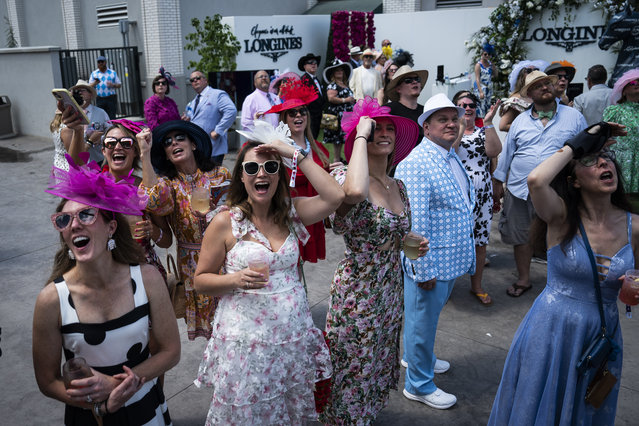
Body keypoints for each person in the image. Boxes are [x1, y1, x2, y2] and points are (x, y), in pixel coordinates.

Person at [488, 122, 635, 424]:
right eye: (591, 162)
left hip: (602, 333)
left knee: (585, 408)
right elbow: (536, 179)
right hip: (551, 329)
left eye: (607, 159)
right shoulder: (561, 217)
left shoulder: (635, 225)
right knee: (536, 405)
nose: (605, 163)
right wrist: (580, 141)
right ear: (575, 180)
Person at [192, 139, 344, 424]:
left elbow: (335, 196)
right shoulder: (226, 222)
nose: (261, 174)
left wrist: (295, 154)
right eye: (252, 167)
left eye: (270, 167)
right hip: (248, 344)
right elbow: (200, 281)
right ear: (241, 175)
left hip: (290, 337)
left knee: (284, 407)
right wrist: (234, 279)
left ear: (279, 174)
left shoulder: (291, 212)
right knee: (249, 410)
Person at [33, 155, 180, 424]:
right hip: (88, 417)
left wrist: (114, 384)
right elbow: (47, 381)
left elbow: (171, 351)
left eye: (86, 214)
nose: (75, 224)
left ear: (111, 227)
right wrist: (97, 406)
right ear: (64, 235)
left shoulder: (147, 278)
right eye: (64, 220)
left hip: (145, 409)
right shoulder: (52, 300)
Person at [320, 97, 427, 424]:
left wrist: (410, 242)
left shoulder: (400, 185)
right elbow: (349, 201)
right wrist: (360, 135)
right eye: (376, 127)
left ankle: (364, 417)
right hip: (358, 294)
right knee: (353, 367)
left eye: (389, 128)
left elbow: (394, 231)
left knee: (377, 363)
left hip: (391, 289)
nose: (384, 132)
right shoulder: (350, 182)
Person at [394, 93, 475, 410]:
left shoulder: (449, 155)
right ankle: (419, 384)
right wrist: (421, 270)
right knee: (419, 322)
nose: (452, 124)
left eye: (454, 118)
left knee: (425, 321)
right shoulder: (416, 164)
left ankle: (419, 359)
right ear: (425, 127)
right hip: (430, 263)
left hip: (449, 259)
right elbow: (414, 225)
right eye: (442, 119)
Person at [493, 71, 587, 297]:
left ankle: (559, 281)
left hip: (558, 190)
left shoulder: (573, 117)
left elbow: (584, 150)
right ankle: (524, 279)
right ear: (529, 94)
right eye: (538, 86)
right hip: (519, 188)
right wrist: (498, 180)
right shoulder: (520, 121)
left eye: (547, 83)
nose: (544, 87)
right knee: (521, 235)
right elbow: (508, 152)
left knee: (562, 234)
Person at [137, 120, 232, 340]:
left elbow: (241, 212)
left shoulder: (221, 175)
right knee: (212, 332)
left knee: (233, 319)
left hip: (224, 256)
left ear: (194, 145)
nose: (174, 143)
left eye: (180, 138)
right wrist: (145, 154)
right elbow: (151, 201)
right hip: (192, 263)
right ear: (167, 155)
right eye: (168, 143)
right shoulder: (168, 185)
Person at [262, 80, 331, 263]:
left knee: (301, 270)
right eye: (292, 112)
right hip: (287, 219)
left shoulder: (320, 149)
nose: (298, 115)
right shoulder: (277, 150)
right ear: (284, 118)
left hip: (313, 218)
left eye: (303, 111)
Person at [101, 121, 172, 279]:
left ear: (135, 151)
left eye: (126, 143)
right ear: (103, 151)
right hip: (106, 273)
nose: (118, 147)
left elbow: (166, 242)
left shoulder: (146, 187)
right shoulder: (94, 186)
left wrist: (151, 230)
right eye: (110, 143)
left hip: (143, 272)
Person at [452, 91, 502, 305]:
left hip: (482, 197)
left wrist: (489, 122)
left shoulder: (484, 132)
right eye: (462, 105)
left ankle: (476, 286)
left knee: (480, 244)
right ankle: (447, 287)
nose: (468, 107)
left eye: (471, 104)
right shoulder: (451, 132)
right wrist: (461, 126)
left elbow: (494, 151)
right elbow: (450, 152)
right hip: (458, 196)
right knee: (453, 243)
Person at [183, 70, 237, 165]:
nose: (195, 81)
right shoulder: (193, 102)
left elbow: (231, 111)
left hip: (214, 146)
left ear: (205, 80)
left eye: (198, 78)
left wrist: (218, 130)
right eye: (192, 80)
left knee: (214, 177)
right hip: (198, 147)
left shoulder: (217, 94)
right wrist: (187, 120)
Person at [603, 68, 639, 198]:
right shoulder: (615, 110)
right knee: (621, 199)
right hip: (623, 160)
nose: (637, 84)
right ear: (624, 91)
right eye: (633, 83)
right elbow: (604, 135)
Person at [499, 59, 549, 132]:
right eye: (529, 71)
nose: (533, 73)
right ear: (521, 76)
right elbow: (503, 126)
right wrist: (530, 127)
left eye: (536, 70)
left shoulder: (541, 95)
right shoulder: (516, 99)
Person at [385, 65, 428, 146]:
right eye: (408, 80)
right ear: (398, 89)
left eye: (417, 79)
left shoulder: (426, 111)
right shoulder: (389, 110)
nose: (414, 82)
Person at [69, 79, 110, 164]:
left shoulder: (101, 113)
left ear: (90, 94)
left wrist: (100, 139)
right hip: (78, 162)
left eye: (82, 90)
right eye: (77, 91)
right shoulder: (70, 114)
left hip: (98, 160)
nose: (79, 93)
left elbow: (110, 133)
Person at [323, 59, 355, 162]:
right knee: (336, 140)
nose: (340, 72)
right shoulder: (332, 85)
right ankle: (336, 161)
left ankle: (341, 159)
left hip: (345, 115)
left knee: (342, 140)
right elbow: (331, 98)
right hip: (336, 116)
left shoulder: (344, 84)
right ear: (333, 73)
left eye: (341, 70)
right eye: (337, 70)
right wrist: (346, 100)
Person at [298, 53, 325, 139]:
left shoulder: (317, 79)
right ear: (305, 66)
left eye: (315, 62)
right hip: (309, 117)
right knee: (309, 140)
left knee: (315, 139)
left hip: (318, 116)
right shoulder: (303, 80)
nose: (313, 64)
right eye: (310, 62)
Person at [89, 55, 121, 119]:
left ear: (105, 62)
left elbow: (119, 84)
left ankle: (112, 128)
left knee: (112, 116)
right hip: (100, 98)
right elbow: (89, 86)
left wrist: (113, 85)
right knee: (101, 117)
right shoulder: (94, 73)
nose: (100, 63)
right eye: (99, 62)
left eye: (102, 62)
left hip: (111, 98)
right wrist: (95, 83)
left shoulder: (112, 73)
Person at [473, 43, 497, 118]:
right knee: (481, 107)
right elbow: (477, 78)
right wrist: (480, 91)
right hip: (481, 87)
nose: (487, 56)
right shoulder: (478, 65)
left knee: (488, 106)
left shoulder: (490, 64)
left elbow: (495, 75)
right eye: (485, 54)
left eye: (489, 54)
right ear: (482, 54)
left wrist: (494, 68)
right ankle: (480, 123)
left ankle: (486, 122)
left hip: (489, 88)